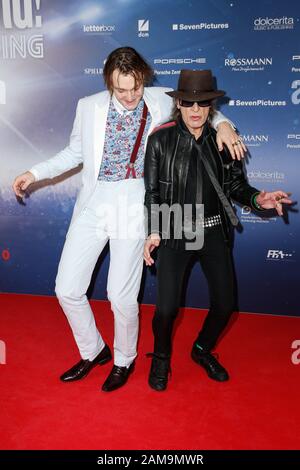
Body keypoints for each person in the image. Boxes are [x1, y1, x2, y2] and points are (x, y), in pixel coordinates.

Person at [12, 48, 246, 393]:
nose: (130, 95)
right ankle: (94, 351)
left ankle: (124, 358)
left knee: (120, 296)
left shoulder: (158, 98)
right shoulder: (87, 106)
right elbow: (74, 153)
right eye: (122, 90)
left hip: (133, 205)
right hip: (93, 204)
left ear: (144, 79)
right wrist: (35, 172)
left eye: (136, 87)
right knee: (67, 288)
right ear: (109, 82)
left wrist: (225, 124)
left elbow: (200, 111)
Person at [143, 69, 292, 391]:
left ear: (212, 105)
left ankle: (201, 349)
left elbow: (237, 185)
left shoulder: (224, 140)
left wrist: (257, 198)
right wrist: (153, 231)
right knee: (167, 308)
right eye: (189, 103)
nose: (195, 110)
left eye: (203, 103)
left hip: (212, 230)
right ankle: (161, 357)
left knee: (225, 305)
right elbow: (152, 192)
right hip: (173, 226)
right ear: (178, 103)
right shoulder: (160, 139)